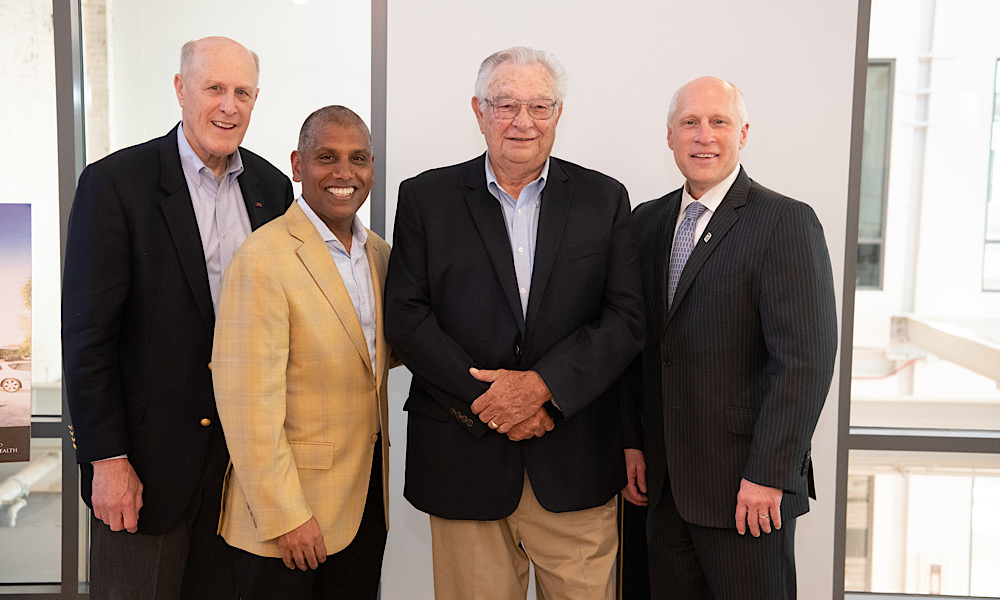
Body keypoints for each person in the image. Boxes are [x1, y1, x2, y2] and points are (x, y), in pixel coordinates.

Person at [384, 46, 645, 600]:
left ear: (557, 115)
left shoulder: (604, 199)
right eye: (506, 104)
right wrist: (492, 403)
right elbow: (407, 317)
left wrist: (542, 389)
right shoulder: (426, 198)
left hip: (574, 464)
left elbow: (624, 320)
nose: (523, 121)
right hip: (464, 461)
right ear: (479, 112)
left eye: (539, 106)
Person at [62, 36, 293, 599]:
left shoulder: (272, 189)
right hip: (145, 469)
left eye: (242, 92)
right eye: (214, 88)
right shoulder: (116, 184)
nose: (228, 106)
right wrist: (107, 461)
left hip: (242, 477)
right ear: (180, 90)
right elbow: (88, 339)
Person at [622, 76, 838, 599]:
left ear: (742, 132)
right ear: (669, 136)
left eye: (718, 122)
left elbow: (803, 363)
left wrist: (769, 474)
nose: (704, 135)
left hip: (747, 491)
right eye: (689, 123)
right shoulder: (645, 223)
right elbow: (637, 345)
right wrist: (631, 441)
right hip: (663, 488)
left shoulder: (785, 221)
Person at [211, 105, 391, 599]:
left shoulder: (378, 254)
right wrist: (287, 515)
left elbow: (380, 355)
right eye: (326, 157)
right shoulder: (263, 257)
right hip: (288, 521)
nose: (343, 173)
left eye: (358, 158)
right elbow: (247, 406)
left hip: (361, 508)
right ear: (297, 164)